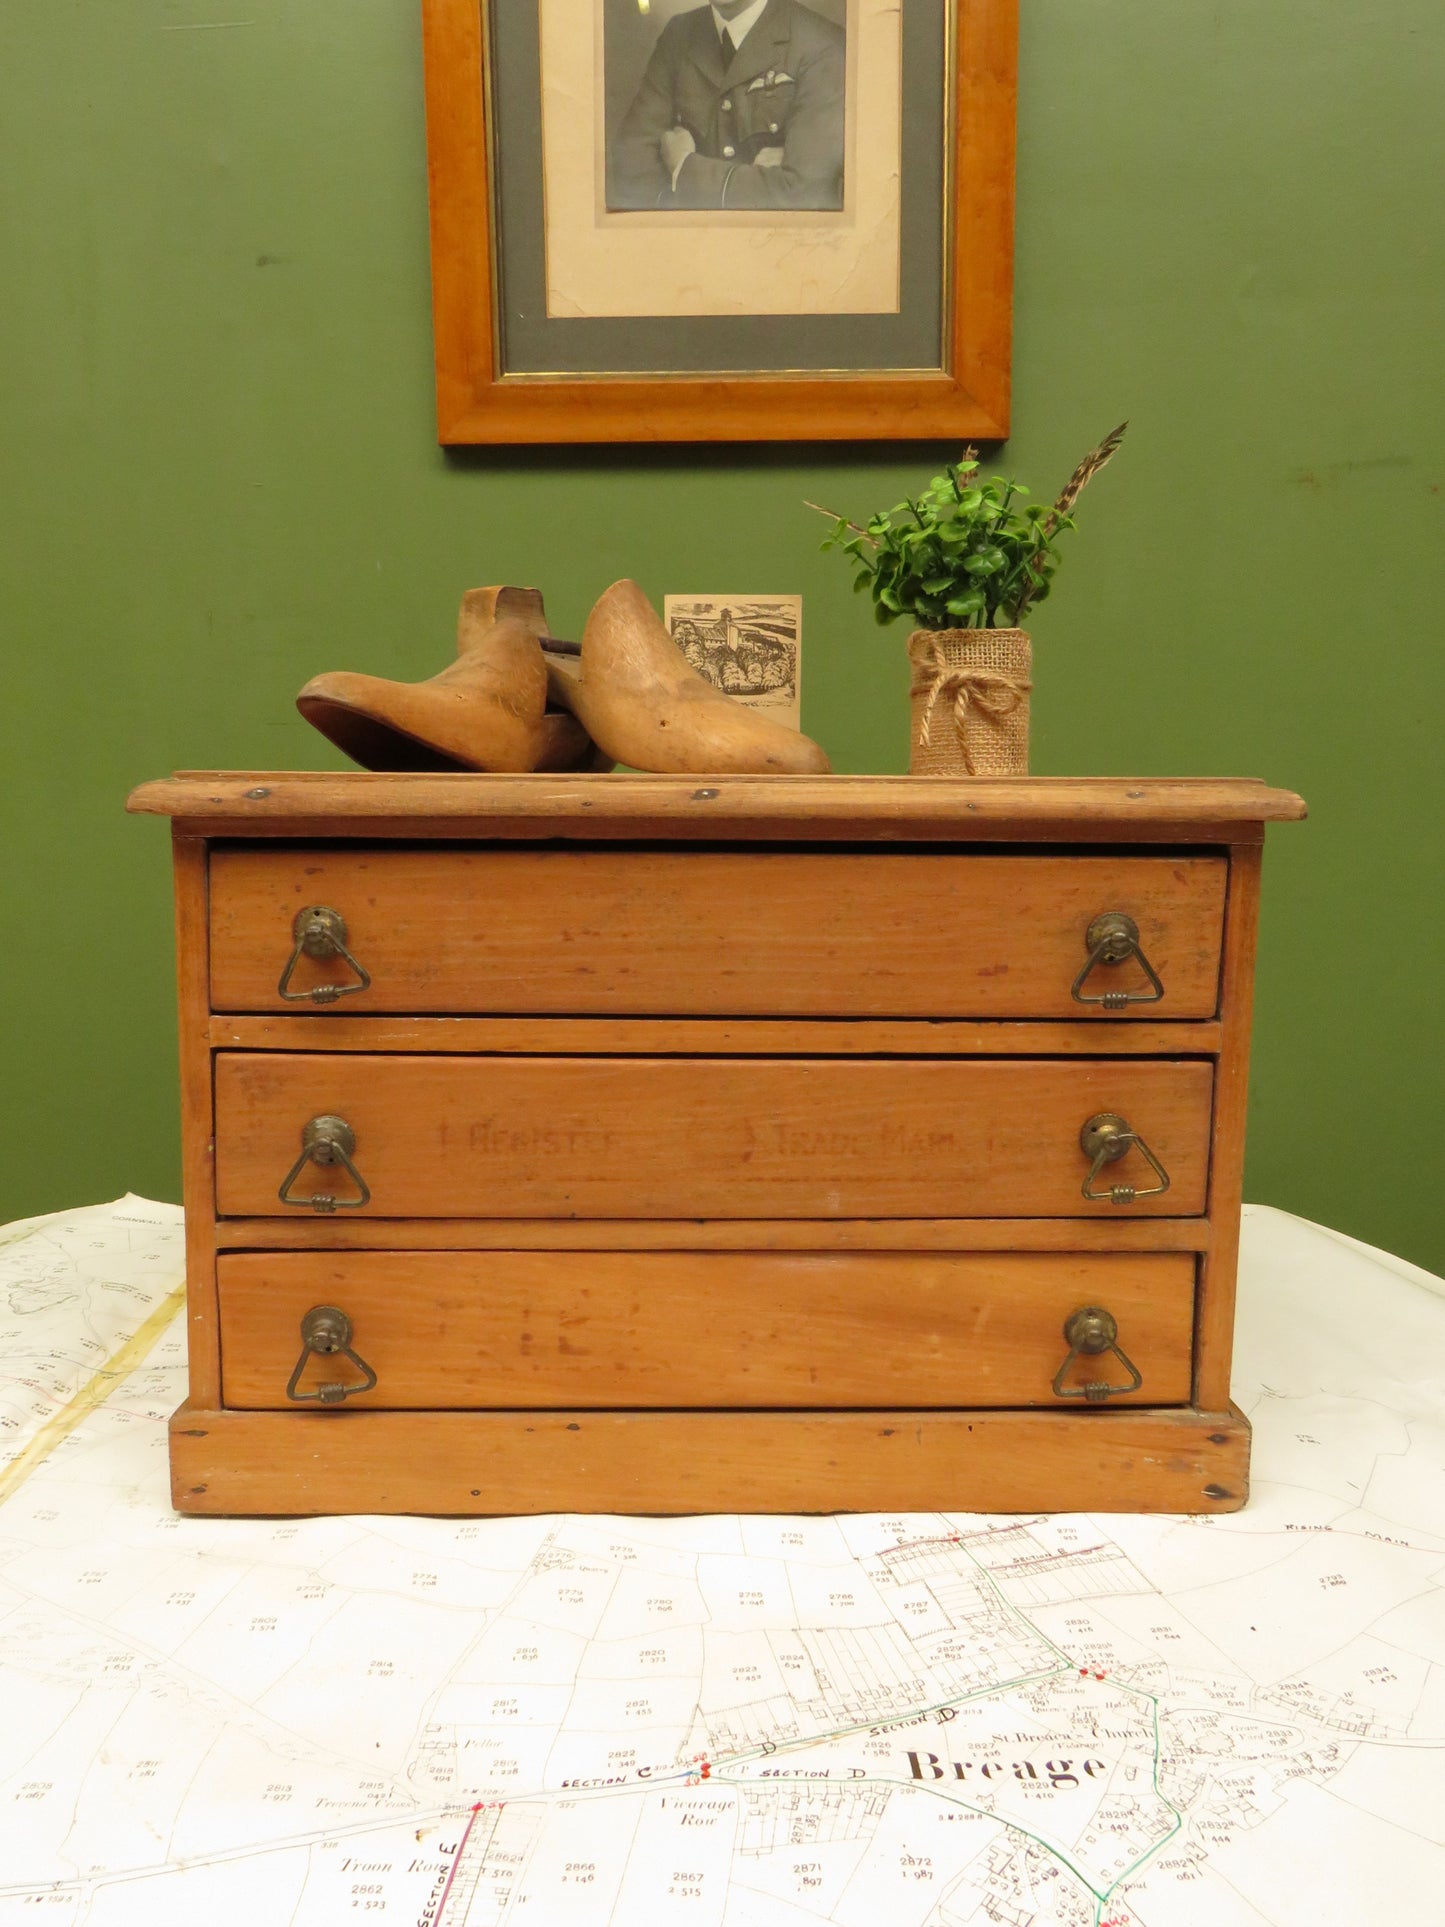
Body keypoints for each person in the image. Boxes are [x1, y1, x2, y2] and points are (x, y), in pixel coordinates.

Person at [610, 0, 844, 211]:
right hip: (688, 246)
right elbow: (632, 166)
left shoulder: (821, 44)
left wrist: (684, 169)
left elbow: (805, 193)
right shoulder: (679, 34)